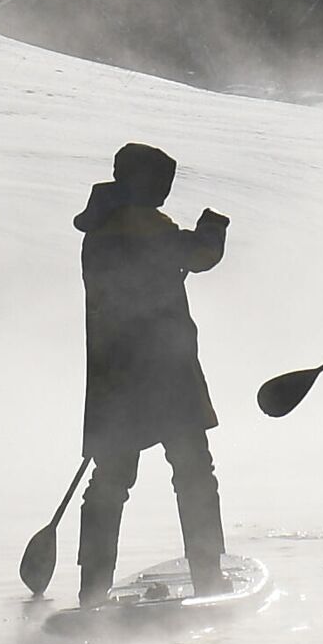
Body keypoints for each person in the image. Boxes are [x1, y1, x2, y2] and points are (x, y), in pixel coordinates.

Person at [75, 142, 230, 605]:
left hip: (113, 377)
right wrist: (212, 228)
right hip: (165, 374)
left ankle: (92, 589)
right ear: (140, 182)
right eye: (161, 181)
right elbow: (200, 255)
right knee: (194, 471)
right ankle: (208, 575)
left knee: (110, 481)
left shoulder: (100, 228)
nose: (164, 191)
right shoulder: (143, 225)